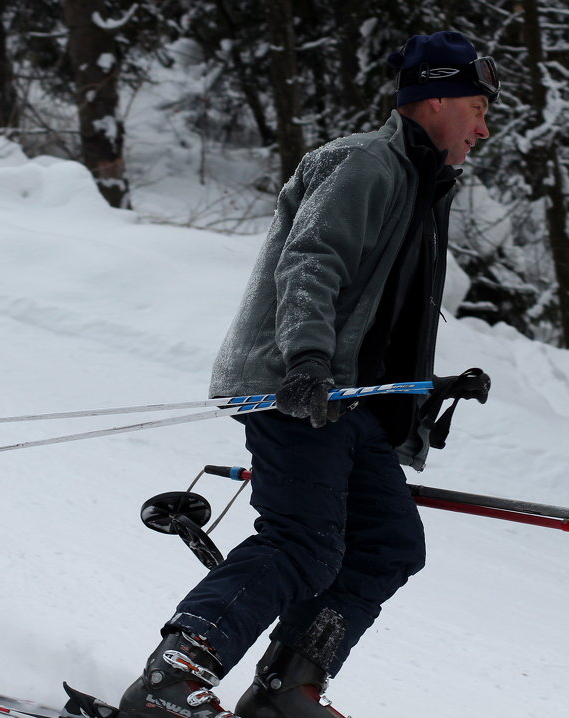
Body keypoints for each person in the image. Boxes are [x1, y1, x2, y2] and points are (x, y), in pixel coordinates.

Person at [112, 31, 498, 718]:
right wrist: (308, 360)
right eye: (477, 105)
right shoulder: (363, 164)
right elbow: (311, 262)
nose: (484, 126)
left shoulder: (421, 185)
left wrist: (421, 390)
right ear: (436, 99)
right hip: (298, 388)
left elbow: (379, 314)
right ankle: (174, 674)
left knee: (388, 545)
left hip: (350, 404)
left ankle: (286, 688)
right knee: (303, 544)